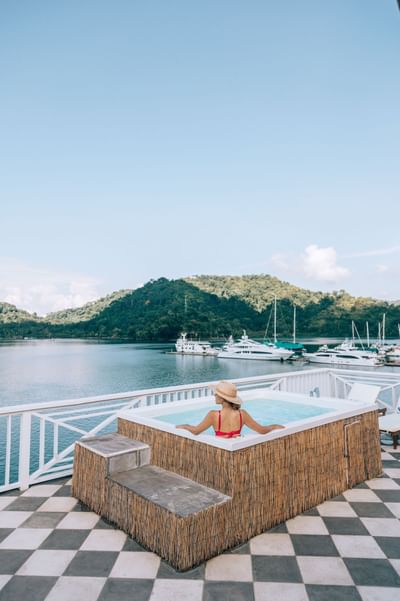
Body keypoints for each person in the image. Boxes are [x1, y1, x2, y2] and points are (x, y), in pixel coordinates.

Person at [176, 380, 285, 438]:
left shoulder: (213, 415)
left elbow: (196, 431)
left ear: (223, 398)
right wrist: (274, 426)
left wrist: (185, 425)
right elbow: (262, 431)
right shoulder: (243, 414)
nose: (214, 396)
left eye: (216, 394)